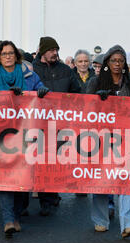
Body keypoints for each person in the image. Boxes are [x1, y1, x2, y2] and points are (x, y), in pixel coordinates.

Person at [0, 40, 49, 237]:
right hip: (3, 134)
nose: (7, 57)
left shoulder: (30, 75)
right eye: (3, 54)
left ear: (16, 55)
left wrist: (42, 92)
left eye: (10, 53)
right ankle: (8, 220)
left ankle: (18, 215)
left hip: (27, 132)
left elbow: (44, 91)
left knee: (22, 176)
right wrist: (4, 96)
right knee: (5, 177)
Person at [86, 45, 130, 239]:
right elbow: (83, 107)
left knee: (125, 179)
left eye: (120, 61)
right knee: (101, 180)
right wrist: (97, 99)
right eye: (113, 60)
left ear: (124, 64)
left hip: (125, 138)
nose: (117, 64)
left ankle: (127, 224)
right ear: (106, 63)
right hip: (100, 138)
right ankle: (100, 220)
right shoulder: (95, 82)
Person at [32, 36, 81, 216]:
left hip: (61, 122)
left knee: (54, 162)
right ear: (43, 51)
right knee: (40, 162)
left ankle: (52, 196)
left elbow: (77, 93)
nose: (55, 53)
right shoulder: (33, 68)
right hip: (38, 122)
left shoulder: (65, 70)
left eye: (56, 50)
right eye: (52, 50)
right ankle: (46, 198)